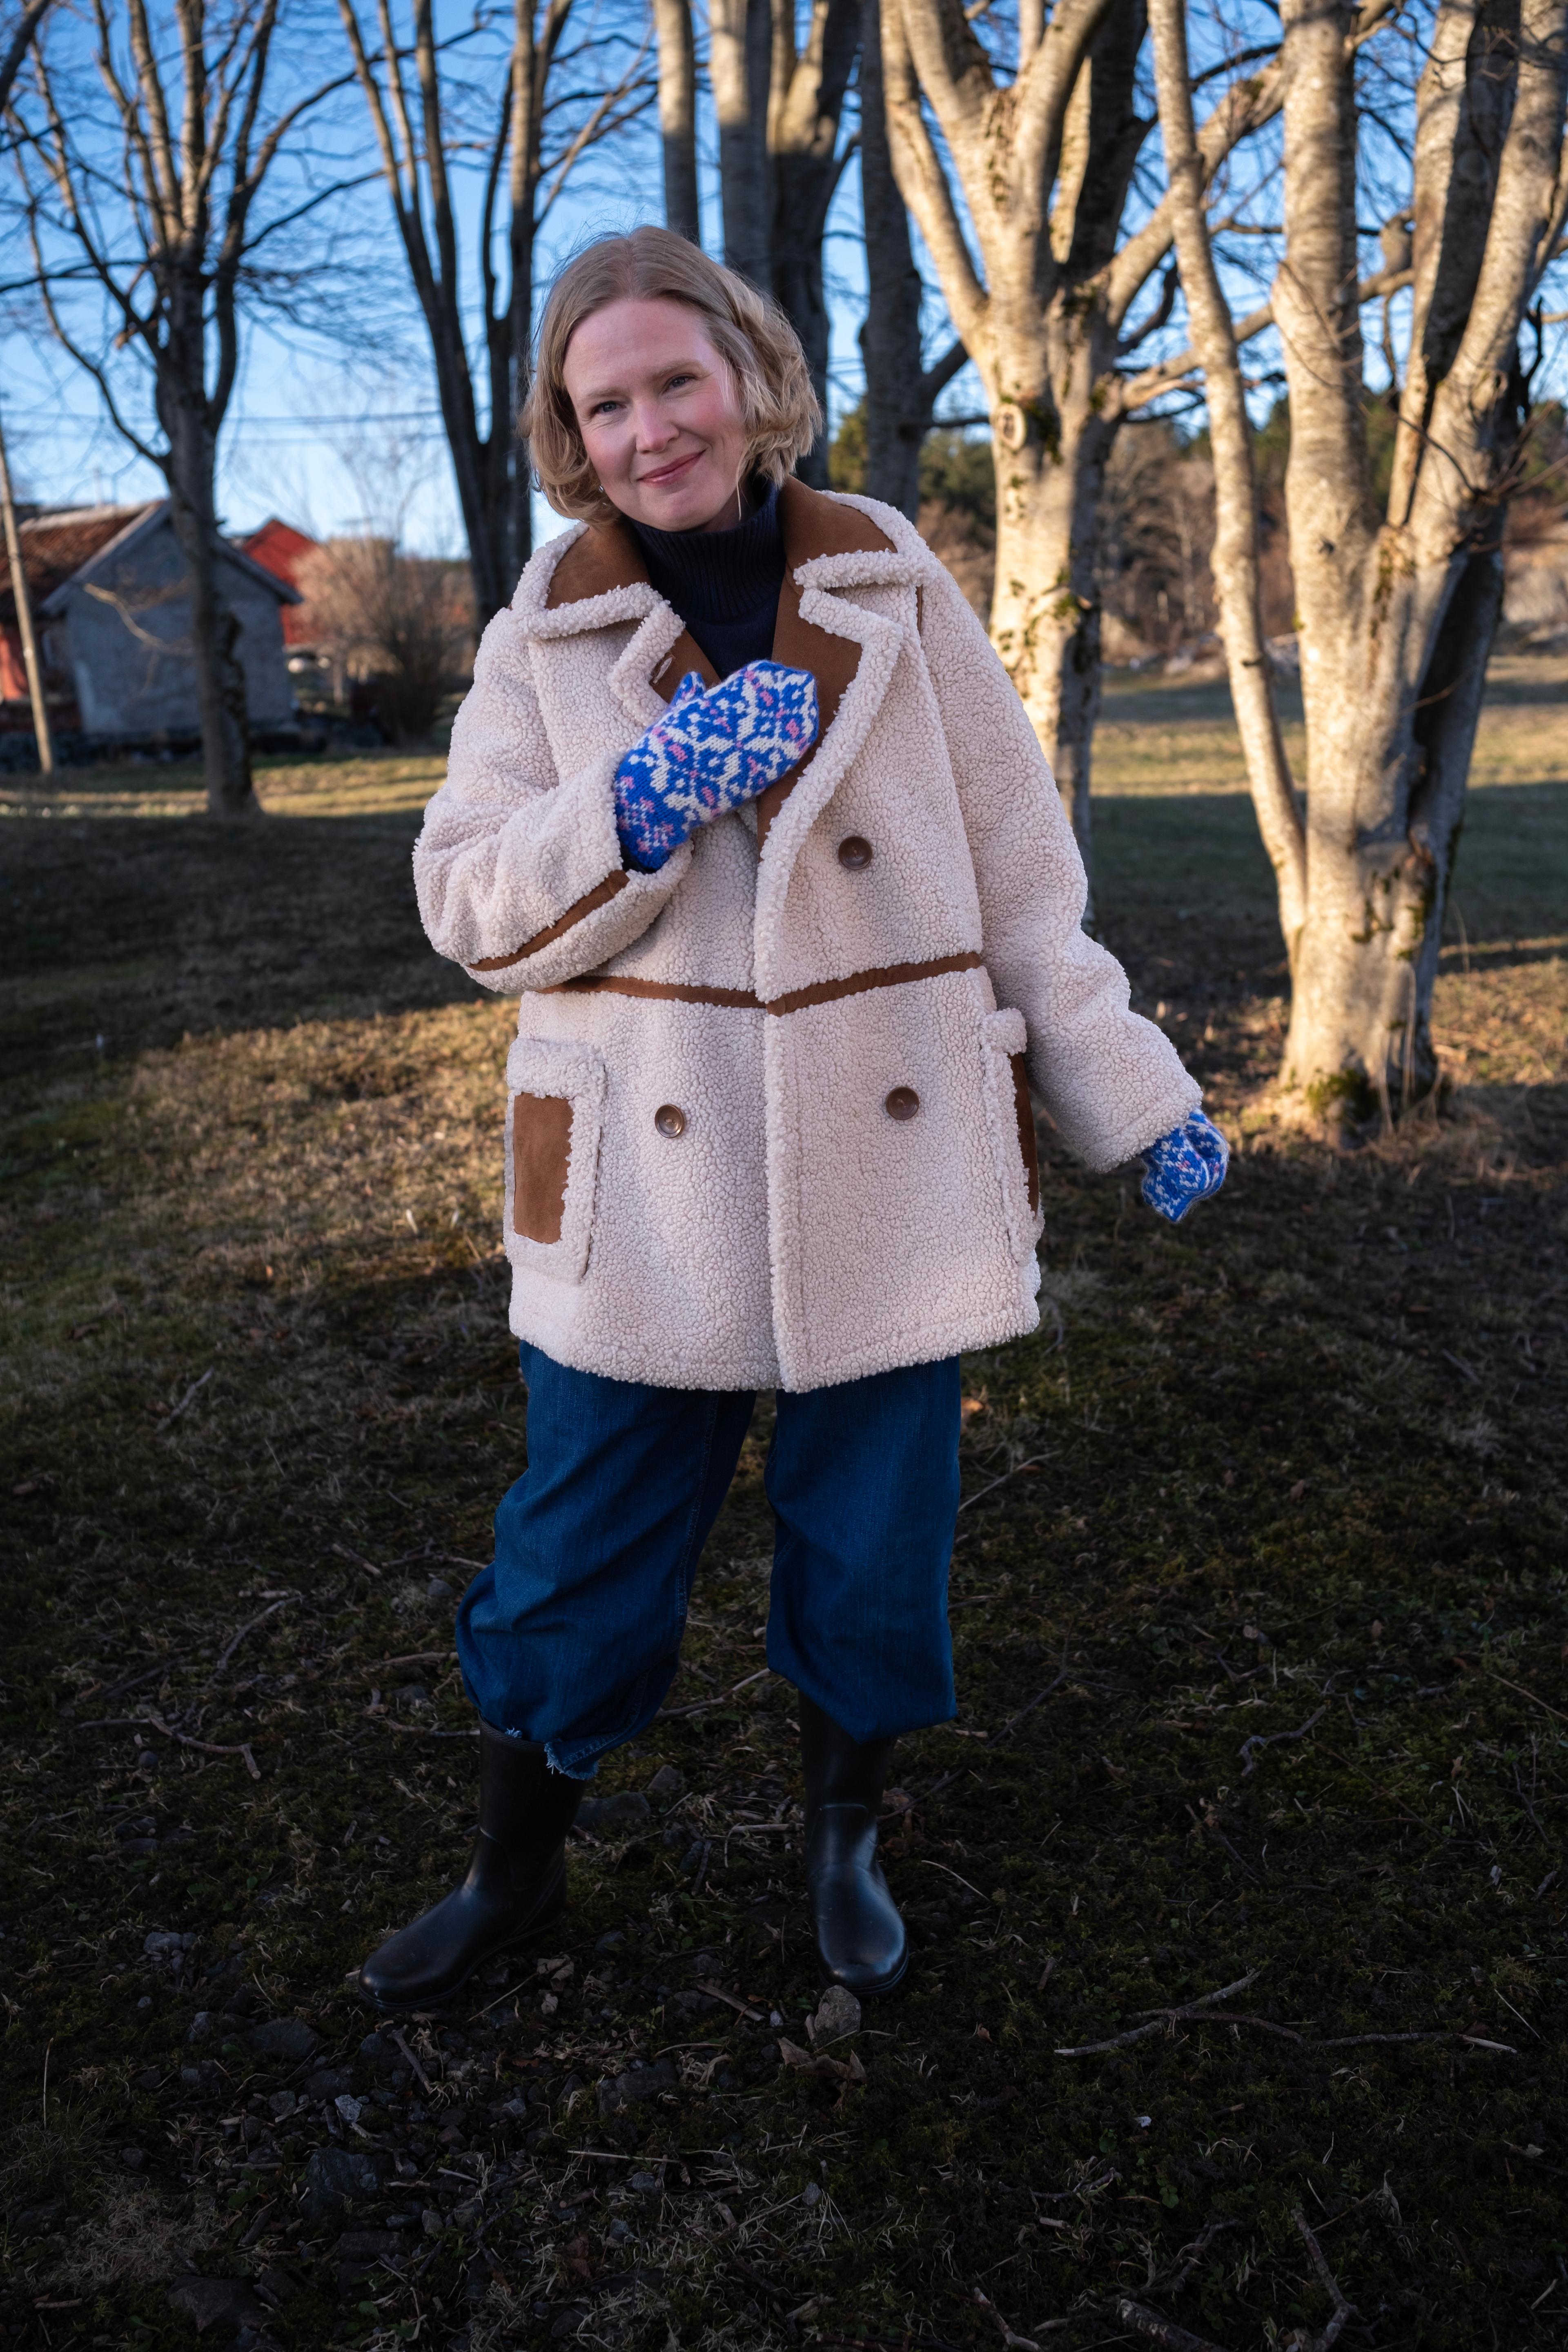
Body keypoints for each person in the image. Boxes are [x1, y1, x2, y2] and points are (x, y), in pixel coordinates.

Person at [359, 227, 1227, 2014]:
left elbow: (1019, 878)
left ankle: (844, 1843)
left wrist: (1135, 1101)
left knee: (875, 1543)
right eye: (607, 404)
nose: (651, 427)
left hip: (888, 1149)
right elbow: (464, 905)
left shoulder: (895, 587)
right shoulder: (546, 632)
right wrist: (644, 799)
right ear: (572, 438)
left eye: (677, 379)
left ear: (753, 378)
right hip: (640, 1196)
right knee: (575, 1557)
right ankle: (509, 1874)